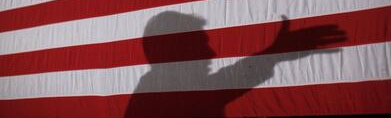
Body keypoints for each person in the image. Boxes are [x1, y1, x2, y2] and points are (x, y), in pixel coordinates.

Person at [125, 11, 346, 117]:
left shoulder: (160, 89)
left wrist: (274, 53)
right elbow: (220, 86)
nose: (211, 53)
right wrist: (273, 54)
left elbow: (223, 82)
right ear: (175, 52)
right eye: (199, 46)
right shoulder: (162, 94)